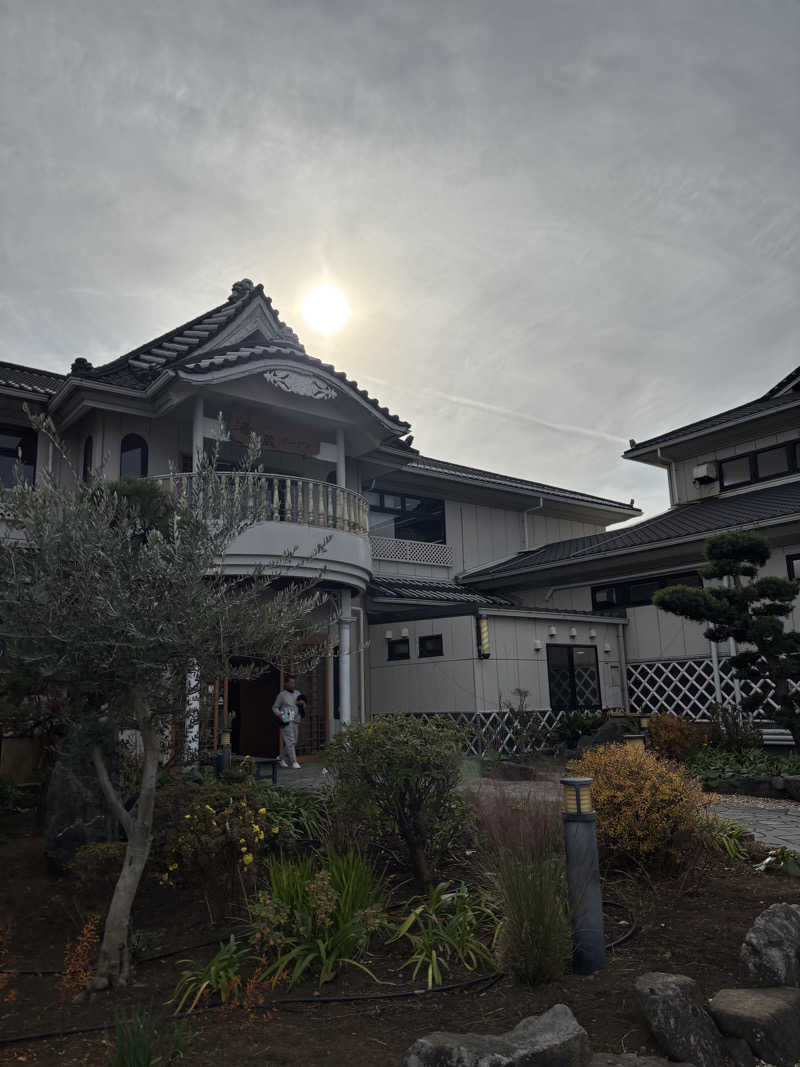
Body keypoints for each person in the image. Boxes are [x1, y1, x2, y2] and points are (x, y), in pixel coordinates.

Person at [272, 675, 305, 769]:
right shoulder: (282, 695)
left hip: (296, 719)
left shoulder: (298, 693)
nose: (292, 684)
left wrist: (301, 704)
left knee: (294, 741)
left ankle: (280, 758)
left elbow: (302, 704)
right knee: (290, 741)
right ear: (286, 683)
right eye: (290, 683)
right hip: (286, 718)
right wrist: (281, 715)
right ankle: (294, 762)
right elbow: (274, 707)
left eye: (293, 683)